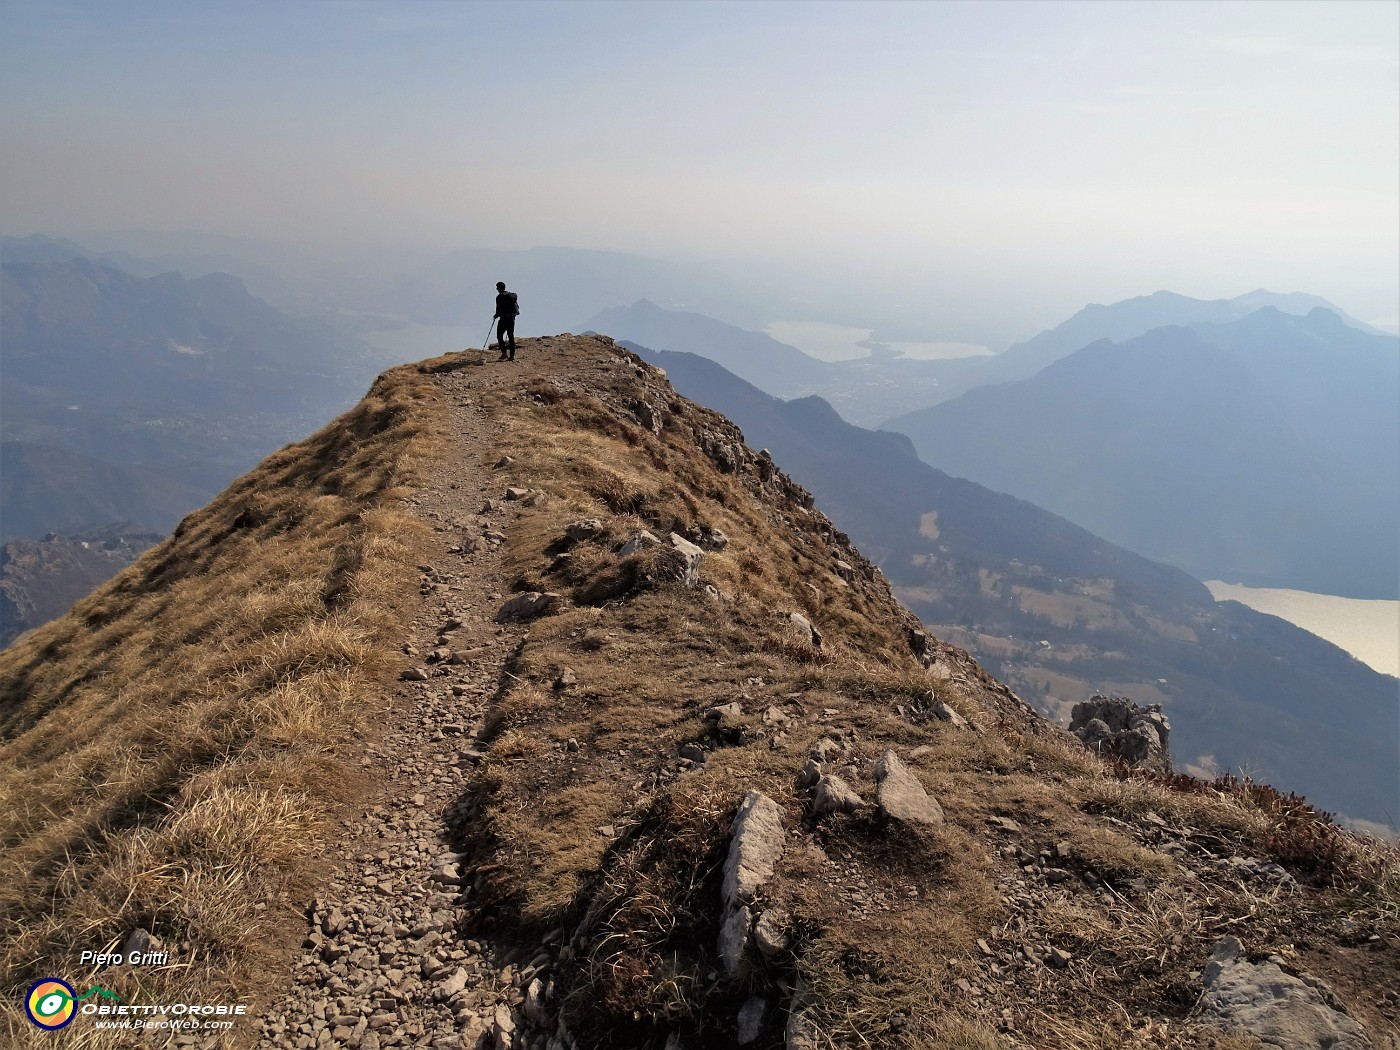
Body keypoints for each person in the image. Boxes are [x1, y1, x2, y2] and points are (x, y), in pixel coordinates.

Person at [493, 281, 519, 361]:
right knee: (511, 336)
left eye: (497, 288)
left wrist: (496, 315)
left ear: (499, 288)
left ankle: (504, 354)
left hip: (503, 319)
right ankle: (512, 355)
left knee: (499, 335)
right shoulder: (512, 296)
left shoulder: (499, 297)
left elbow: (498, 308)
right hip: (511, 318)